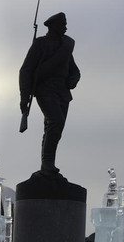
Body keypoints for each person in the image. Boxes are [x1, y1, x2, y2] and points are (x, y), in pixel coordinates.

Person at [19, 12, 80, 175]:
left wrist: (73, 80)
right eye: (62, 25)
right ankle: (47, 162)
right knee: (56, 121)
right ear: (53, 26)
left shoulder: (66, 46)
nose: (65, 28)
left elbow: (74, 70)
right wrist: (24, 97)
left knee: (54, 129)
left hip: (63, 92)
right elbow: (26, 70)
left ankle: (48, 163)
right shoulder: (40, 44)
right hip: (45, 90)